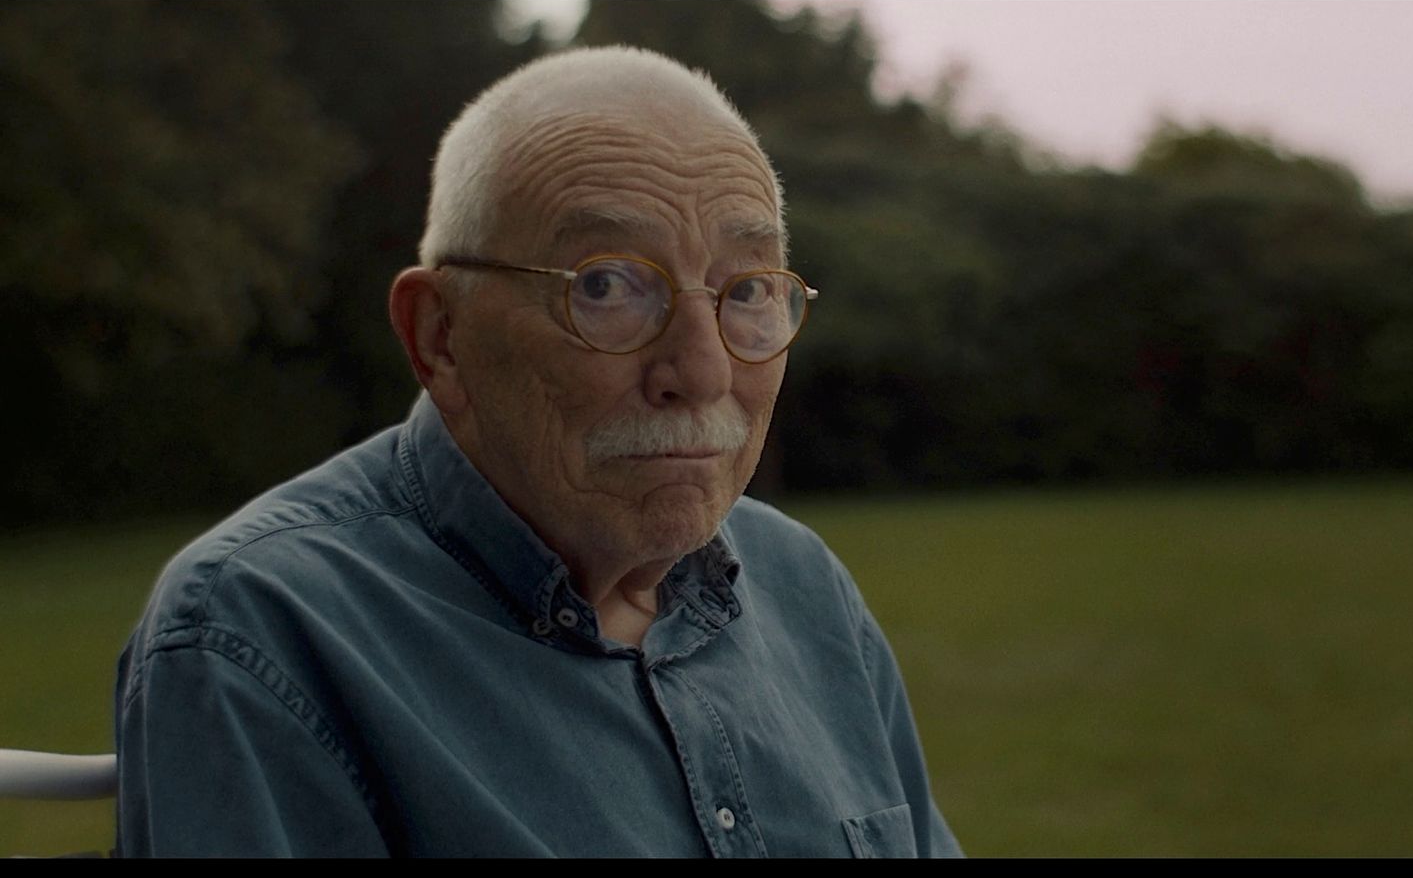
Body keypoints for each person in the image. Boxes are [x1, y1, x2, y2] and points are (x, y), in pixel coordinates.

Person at [113, 45, 961, 858]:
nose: (701, 371)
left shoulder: (805, 587)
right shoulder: (263, 632)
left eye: (747, 290)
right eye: (606, 285)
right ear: (442, 336)